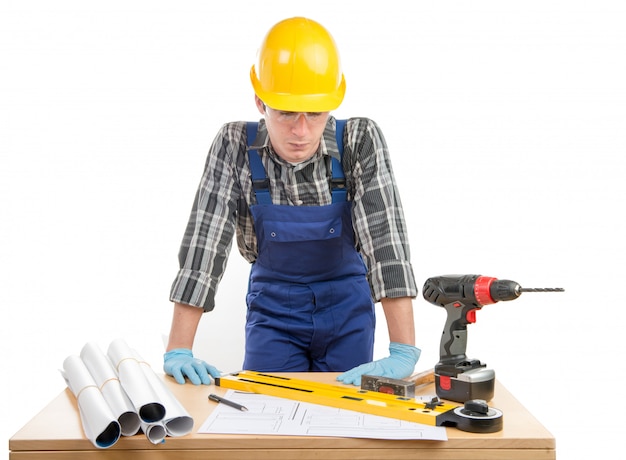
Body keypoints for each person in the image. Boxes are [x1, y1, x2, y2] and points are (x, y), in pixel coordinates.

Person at [163, 17, 420, 387]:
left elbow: (386, 244)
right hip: (273, 311)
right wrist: (179, 348)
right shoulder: (235, 144)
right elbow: (204, 247)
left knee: (344, 421)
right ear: (260, 101)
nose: (301, 131)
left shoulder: (359, 140)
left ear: (332, 104)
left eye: (314, 113)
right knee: (270, 415)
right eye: (285, 112)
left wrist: (403, 349)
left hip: (347, 309)